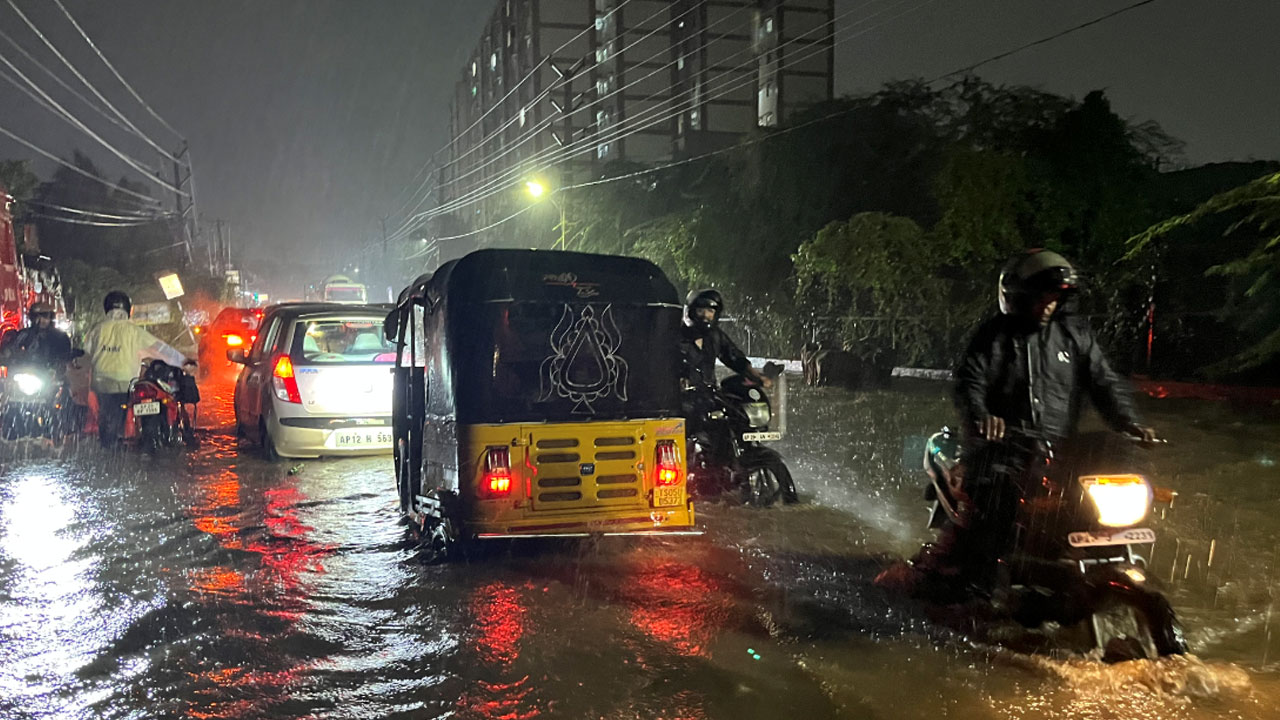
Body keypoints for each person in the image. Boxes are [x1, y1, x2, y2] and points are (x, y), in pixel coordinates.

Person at [884, 249, 1156, 597]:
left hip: (1058, 451)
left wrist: (1131, 424)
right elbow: (970, 385)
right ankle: (962, 582)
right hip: (1000, 451)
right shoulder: (993, 337)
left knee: (1115, 464)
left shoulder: (1075, 336)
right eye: (1041, 295)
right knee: (992, 514)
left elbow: (1105, 383)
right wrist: (984, 418)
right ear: (1017, 295)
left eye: (1054, 296)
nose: (1048, 303)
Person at [83, 290, 188, 447]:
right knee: (120, 416)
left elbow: (86, 352)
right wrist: (184, 362)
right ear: (127, 309)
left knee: (106, 419)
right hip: (125, 382)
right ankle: (119, 446)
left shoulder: (96, 330)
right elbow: (161, 349)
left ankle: (108, 449)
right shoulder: (134, 331)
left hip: (100, 383)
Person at [679, 288, 771, 392]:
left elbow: (733, 356)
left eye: (710, 311)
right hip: (678, 400)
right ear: (690, 312)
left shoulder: (714, 336)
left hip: (709, 396)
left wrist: (756, 375)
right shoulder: (674, 336)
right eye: (700, 311)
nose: (705, 316)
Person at [0, 301, 73, 368]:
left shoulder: (60, 337)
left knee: (64, 382)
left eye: (45, 316)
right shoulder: (23, 335)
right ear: (32, 318)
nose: (41, 320)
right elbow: (12, 347)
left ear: (50, 317)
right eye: (37, 316)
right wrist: (6, 354)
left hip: (49, 374)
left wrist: (63, 361)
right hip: (26, 372)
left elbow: (66, 355)